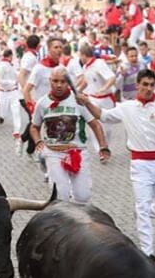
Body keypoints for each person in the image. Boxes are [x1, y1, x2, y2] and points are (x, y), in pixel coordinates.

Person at [78, 68, 155, 260]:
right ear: (137, 85)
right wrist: (87, 102)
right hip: (139, 163)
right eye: (145, 84)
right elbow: (102, 115)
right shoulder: (126, 107)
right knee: (142, 206)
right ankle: (148, 252)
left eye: (152, 85)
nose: (148, 88)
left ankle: (144, 212)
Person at [31, 67, 109, 204]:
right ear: (50, 81)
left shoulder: (79, 101)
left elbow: (95, 125)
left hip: (78, 152)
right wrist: (38, 141)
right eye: (55, 81)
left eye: (63, 81)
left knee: (83, 196)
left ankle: (80, 219)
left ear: (68, 83)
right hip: (54, 153)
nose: (59, 85)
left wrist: (103, 146)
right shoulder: (42, 103)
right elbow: (34, 127)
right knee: (61, 196)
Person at [76, 43, 116, 155]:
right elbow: (85, 82)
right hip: (92, 100)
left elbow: (111, 78)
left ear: (84, 55)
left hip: (106, 99)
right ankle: (100, 149)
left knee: (107, 128)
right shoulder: (85, 67)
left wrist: (104, 88)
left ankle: (106, 146)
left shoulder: (99, 64)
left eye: (80, 56)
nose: (80, 58)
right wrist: (76, 90)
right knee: (94, 125)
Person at [0, 48, 23, 154]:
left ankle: (16, 131)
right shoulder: (1, 66)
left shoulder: (13, 64)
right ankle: (2, 117)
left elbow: (18, 76)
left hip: (14, 92)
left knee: (16, 112)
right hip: (4, 92)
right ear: (10, 56)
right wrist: (11, 82)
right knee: (4, 112)